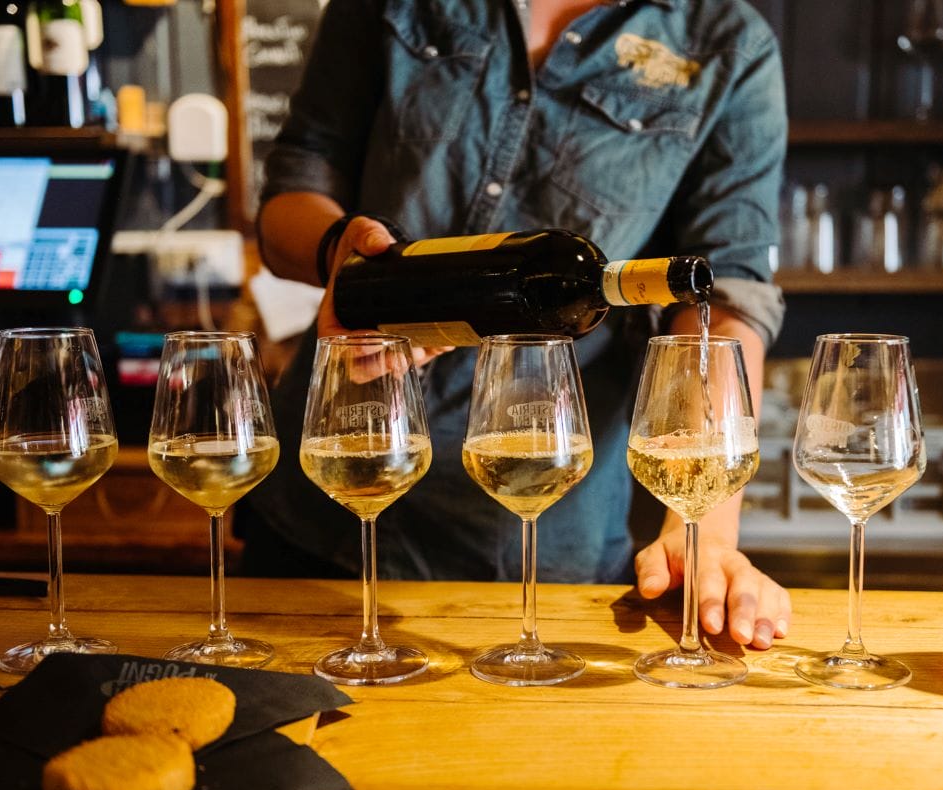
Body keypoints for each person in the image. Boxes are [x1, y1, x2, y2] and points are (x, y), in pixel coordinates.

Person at [240, 0, 792, 650]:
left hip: (535, 537)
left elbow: (722, 303)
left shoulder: (725, 42)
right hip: (329, 501)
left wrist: (702, 531)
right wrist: (339, 249)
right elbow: (290, 194)